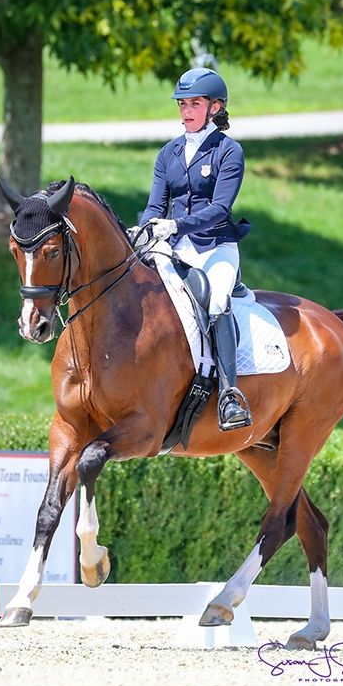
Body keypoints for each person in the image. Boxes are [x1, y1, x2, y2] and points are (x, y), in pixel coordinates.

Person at [129, 67, 252, 431]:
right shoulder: (169, 153)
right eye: (182, 104)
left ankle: (230, 395)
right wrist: (147, 227)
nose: (186, 111)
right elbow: (156, 205)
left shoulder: (229, 152)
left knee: (215, 300)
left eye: (194, 104)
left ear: (215, 107)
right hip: (173, 246)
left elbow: (219, 210)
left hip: (214, 246)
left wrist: (175, 225)